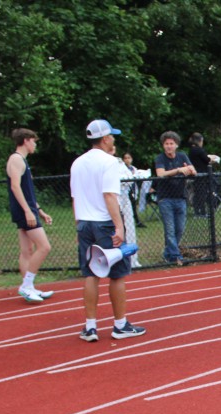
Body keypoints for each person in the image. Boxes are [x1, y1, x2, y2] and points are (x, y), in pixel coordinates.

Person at [71, 119, 146, 342]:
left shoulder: (77, 163)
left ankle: (90, 327)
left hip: (84, 222)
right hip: (104, 222)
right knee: (117, 275)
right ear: (105, 139)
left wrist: (78, 227)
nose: (113, 139)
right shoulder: (110, 162)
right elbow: (109, 196)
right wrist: (119, 227)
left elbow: (75, 198)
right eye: (111, 136)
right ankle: (120, 325)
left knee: (91, 274)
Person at [6, 128, 54, 303]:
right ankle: (26, 285)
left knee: (27, 250)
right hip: (23, 210)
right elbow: (15, 187)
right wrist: (27, 211)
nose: (35, 144)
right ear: (26, 140)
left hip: (28, 209)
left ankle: (29, 287)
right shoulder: (16, 159)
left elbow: (27, 192)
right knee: (44, 247)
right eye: (33, 141)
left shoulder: (23, 161)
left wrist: (39, 211)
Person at [154, 131, 196, 265]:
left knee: (180, 229)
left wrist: (189, 170)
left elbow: (193, 170)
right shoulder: (160, 158)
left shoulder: (182, 156)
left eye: (171, 143)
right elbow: (161, 174)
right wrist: (178, 170)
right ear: (163, 145)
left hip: (180, 198)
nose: (169, 146)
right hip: (165, 198)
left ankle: (168, 254)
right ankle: (176, 256)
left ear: (176, 145)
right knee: (170, 229)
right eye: (166, 144)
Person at [187, 133, 220, 216]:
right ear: (200, 141)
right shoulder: (198, 150)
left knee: (199, 193)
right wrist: (215, 159)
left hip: (197, 174)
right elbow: (207, 160)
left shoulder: (192, 150)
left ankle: (199, 211)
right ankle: (201, 212)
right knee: (201, 193)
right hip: (201, 175)